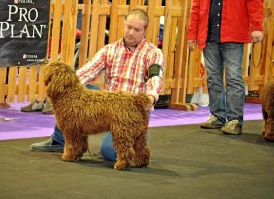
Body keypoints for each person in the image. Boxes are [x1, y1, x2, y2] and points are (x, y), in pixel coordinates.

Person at [30, 8, 164, 161]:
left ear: (145, 31)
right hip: (109, 107)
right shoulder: (109, 50)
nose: (131, 32)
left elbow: (155, 78)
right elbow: (87, 71)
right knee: (69, 97)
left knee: (110, 152)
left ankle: (135, 141)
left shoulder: (153, 53)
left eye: (137, 29)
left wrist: (151, 96)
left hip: (132, 110)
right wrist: (64, 84)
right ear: (124, 25)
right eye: (129, 27)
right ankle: (59, 139)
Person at [187, 0, 264, 135]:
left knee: (233, 78)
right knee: (212, 78)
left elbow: (255, 3)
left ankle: (235, 120)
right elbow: (196, 8)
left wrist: (257, 26)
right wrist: (192, 34)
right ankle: (218, 116)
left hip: (233, 35)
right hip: (209, 35)